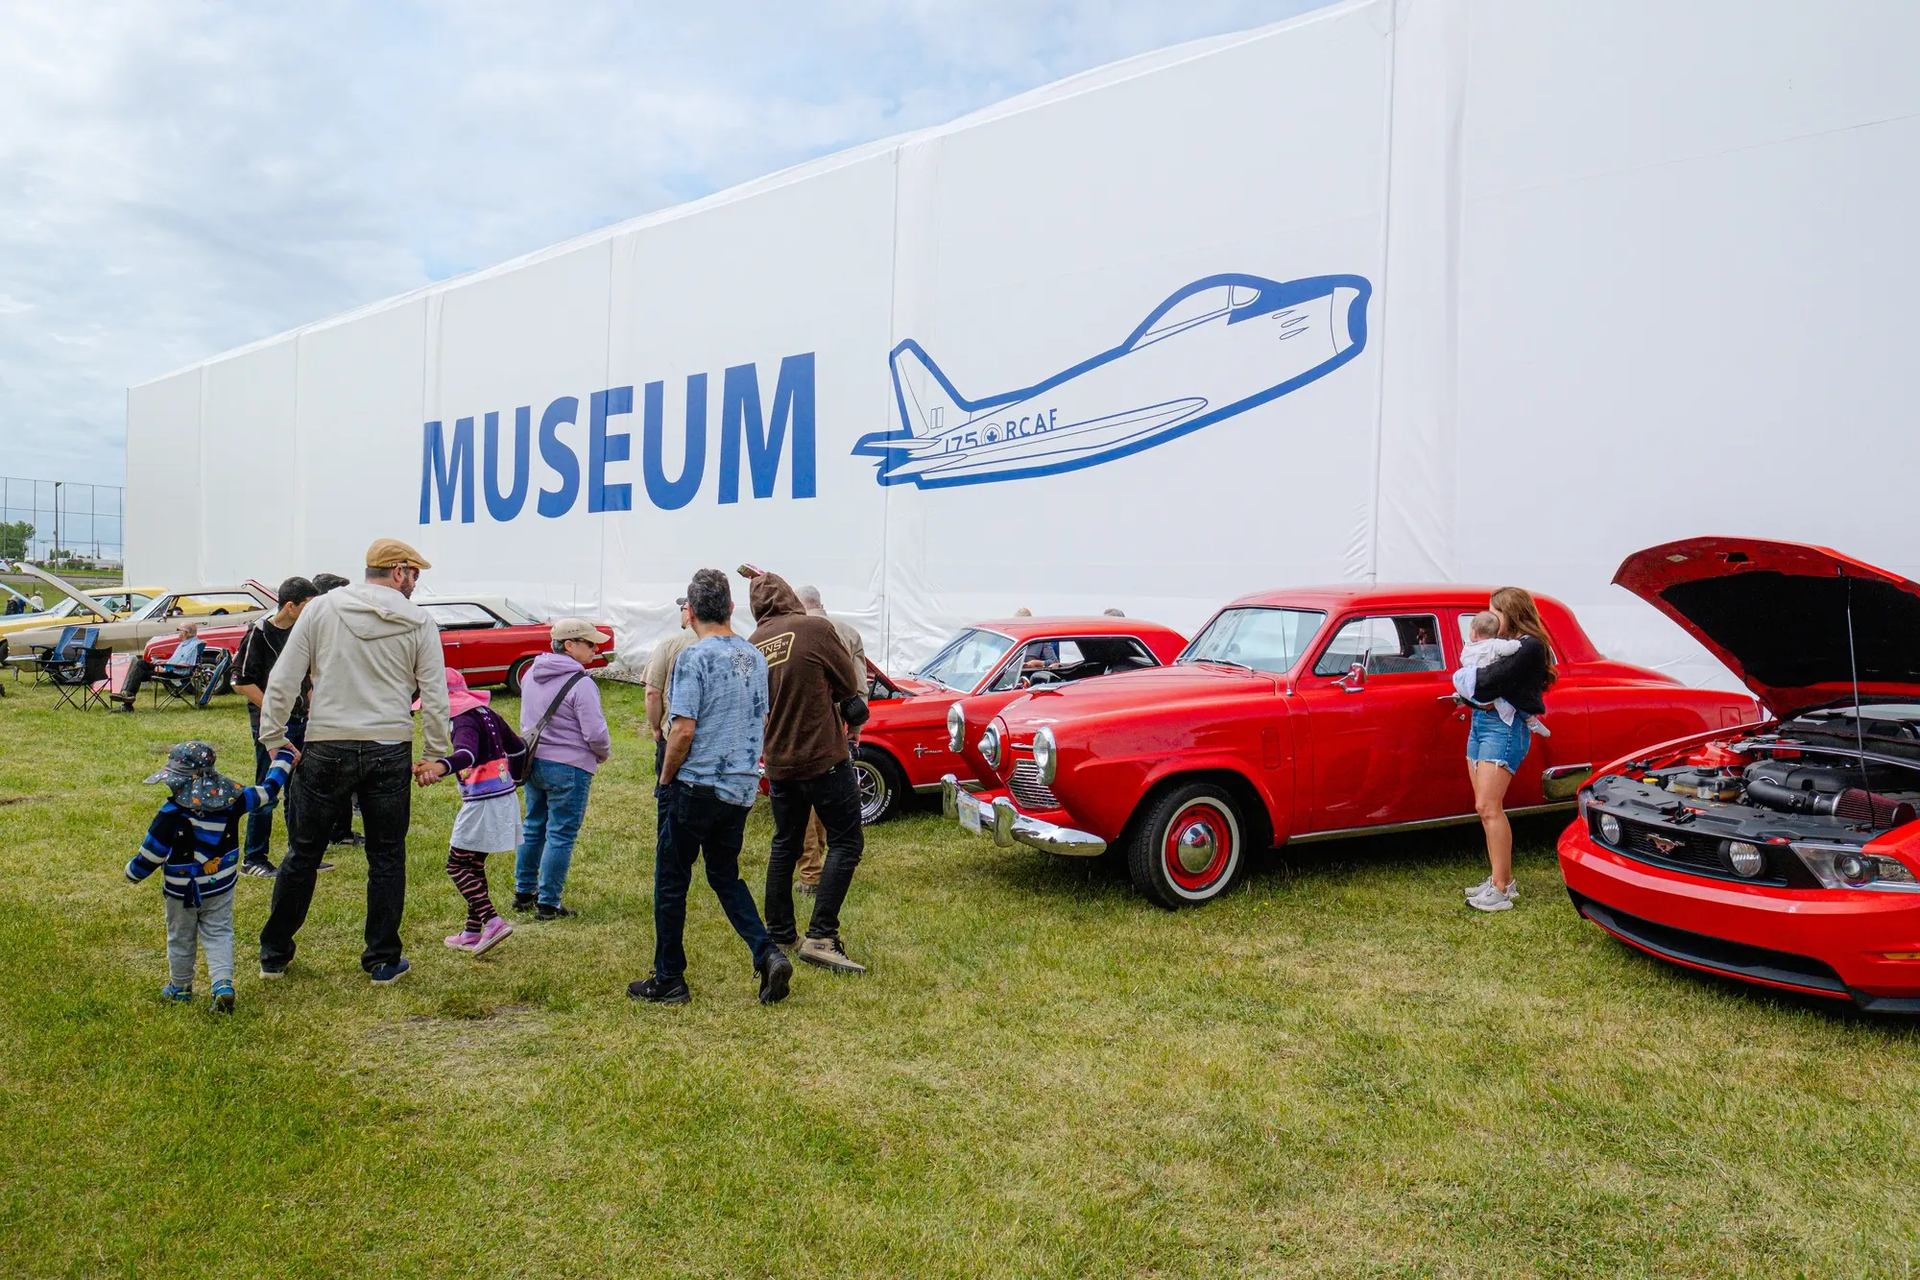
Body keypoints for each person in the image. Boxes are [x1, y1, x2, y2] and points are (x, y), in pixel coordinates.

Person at [257, 538, 451, 985]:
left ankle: (274, 953)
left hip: (327, 741)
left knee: (303, 852)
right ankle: (382, 959)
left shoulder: (322, 609)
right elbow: (435, 694)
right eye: (415, 573)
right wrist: (435, 752)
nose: (416, 582)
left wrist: (274, 736)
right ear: (398, 572)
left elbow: (284, 676)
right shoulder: (419, 620)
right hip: (389, 743)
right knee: (387, 855)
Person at [629, 569, 792, 1006]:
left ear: (692, 611)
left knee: (671, 881)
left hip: (695, 785)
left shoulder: (694, 658)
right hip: (738, 787)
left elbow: (681, 730)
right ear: (731, 608)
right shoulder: (754, 656)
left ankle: (669, 978)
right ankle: (767, 952)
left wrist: (665, 780)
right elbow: (764, 717)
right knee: (725, 876)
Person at [748, 570, 869, 975]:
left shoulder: (753, 645)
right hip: (823, 758)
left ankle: (780, 931)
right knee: (847, 842)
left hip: (779, 761)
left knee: (785, 843)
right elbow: (851, 689)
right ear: (788, 596)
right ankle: (821, 936)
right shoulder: (814, 629)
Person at [127, 740, 295, 1013]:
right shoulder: (235, 800)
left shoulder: (170, 814)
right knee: (219, 933)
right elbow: (268, 790)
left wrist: (133, 873)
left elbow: (152, 853)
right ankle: (223, 985)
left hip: (181, 890)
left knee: (180, 936)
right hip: (221, 885)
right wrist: (285, 757)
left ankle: (180, 988)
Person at [1460, 587, 1556, 914]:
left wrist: (1469, 679)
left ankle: (1501, 890)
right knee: (1484, 806)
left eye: (1494, 611)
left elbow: (1486, 681)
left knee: (1489, 806)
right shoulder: (1502, 646)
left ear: (1509, 612)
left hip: (1505, 727)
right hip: (1481, 722)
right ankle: (1500, 878)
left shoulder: (1530, 647)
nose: (1490, 617)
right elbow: (1477, 681)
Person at [513, 618, 614, 919]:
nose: (596, 649)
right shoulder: (581, 683)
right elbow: (595, 734)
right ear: (569, 645)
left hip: (534, 761)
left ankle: (523, 892)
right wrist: (602, 753)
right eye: (590, 643)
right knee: (560, 833)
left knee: (533, 827)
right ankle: (548, 903)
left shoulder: (531, 673)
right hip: (570, 767)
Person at [417, 670, 520, 957]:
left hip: (483, 802)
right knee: (473, 865)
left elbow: (466, 755)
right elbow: (518, 747)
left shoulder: (461, 720)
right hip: (504, 797)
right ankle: (472, 933)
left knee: (457, 865)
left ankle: (492, 921)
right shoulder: (487, 713)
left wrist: (440, 767)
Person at [233, 576, 325, 878]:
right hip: (271, 726)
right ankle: (254, 858)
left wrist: (311, 705)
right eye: (308, 606)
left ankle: (298, 854)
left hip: (301, 721)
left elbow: (308, 677)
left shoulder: (303, 633)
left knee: (299, 791)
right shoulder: (259, 634)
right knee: (268, 789)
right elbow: (242, 682)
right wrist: (275, 711)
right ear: (290, 606)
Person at [795, 584, 866, 895]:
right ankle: (821, 858)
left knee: (803, 801)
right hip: (837, 725)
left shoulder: (795, 632)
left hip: (802, 726)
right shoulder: (848, 632)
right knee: (829, 793)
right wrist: (856, 728)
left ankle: (810, 872)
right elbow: (860, 688)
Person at [310, 572, 365, 848]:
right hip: (325, 715)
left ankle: (340, 831)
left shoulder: (338, 624)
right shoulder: (316, 626)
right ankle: (333, 832)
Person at [1453, 612, 1549, 738]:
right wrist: (1518, 644)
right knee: (1511, 703)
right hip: (1490, 684)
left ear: (1474, 633)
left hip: (1476, 683)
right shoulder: (1495, 644)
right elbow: (1511, 648)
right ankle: (1531, 721)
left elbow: (1463, 660)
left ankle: (1464, 696)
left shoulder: (1469, 647)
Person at [110, 620, 206, 710]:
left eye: (179, 630)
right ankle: (128, 697)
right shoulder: (184, 644)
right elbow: (177, 660)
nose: (178, 633)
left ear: (186, 633)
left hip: (175, 673)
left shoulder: (194, 646)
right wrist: (163, 661)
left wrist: (166, 663)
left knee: (139, 673)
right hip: (169, 668)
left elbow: (188, 665)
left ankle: (127, 701)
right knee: (141, 664)